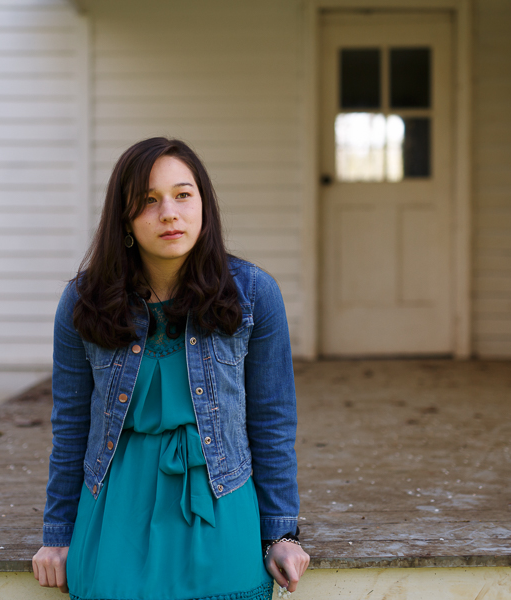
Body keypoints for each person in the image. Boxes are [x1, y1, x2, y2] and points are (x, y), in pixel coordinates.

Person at [32, 137, 309, 600]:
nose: (169, 213)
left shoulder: (255, 294)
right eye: (147, 201)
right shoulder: (83, 304)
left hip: (220, 502)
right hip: (116, 505)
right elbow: (71, 425)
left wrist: (282, 533)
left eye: (183, 194)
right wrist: (58, 534)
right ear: (124, 219)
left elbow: (272, 418)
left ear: (204, 205)